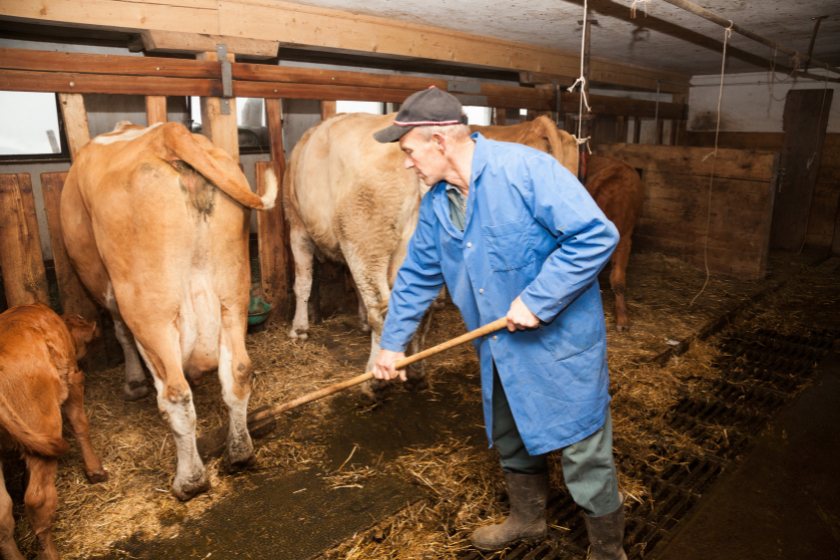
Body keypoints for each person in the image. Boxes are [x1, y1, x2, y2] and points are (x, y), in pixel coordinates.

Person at [371, 86, 626, 559]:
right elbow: (416, 277)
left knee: (582, 453)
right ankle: (527, 520)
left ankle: (608, 552)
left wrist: (539, 298)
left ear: (439, 142)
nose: (407, 162)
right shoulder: (437, 204)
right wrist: (391, 344)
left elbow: (595, 236)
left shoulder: (525, 170)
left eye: (408, 151)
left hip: (560, 344)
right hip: (499, 347)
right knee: (512, 436)